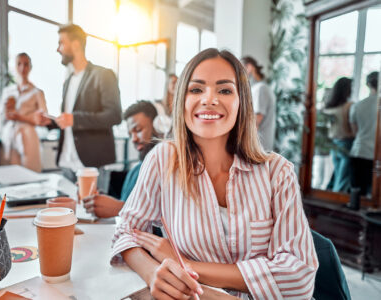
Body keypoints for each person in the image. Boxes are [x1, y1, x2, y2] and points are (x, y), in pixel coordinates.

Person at [111, 48, 318, 300]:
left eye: (225, 90)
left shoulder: (277, 172)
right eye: (196, 89)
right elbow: (125, 232)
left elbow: (299, 278)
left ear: (242, 101)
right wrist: (152, 272)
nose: (209, 99)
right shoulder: (164, 159)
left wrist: (186, 265)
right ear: (182, 102)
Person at [35, 24, 121, 182]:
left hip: (92, 163)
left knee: (93, 207)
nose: (58, 49)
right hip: (66, 162)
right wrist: (52, 122)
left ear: (75, 44)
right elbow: (69, 121)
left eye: (62, 43)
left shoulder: (103, 75)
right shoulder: (68, 82)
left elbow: (114, 115)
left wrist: (75, 119)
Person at [82, 101, 159, 218]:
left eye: (138, 130)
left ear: (158, 126)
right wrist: (100, 202)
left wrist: (120, 209)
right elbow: (124, 203)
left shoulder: (168, 170)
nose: (133, 139)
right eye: (130, 134)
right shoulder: (136, 171)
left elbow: (167, 224)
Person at [0, 53, 48, 172]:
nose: (22, 68)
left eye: (26, 64)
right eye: (19, 64)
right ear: (15, 67)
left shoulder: (37, 92)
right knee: (12, 175)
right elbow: (2, 115)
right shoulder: (8, 92)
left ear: (30, 67)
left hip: (29, 135)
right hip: (11, 136)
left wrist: (20, 117)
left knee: (31, 173)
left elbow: (44, 119)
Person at [322, 77, 355, 193]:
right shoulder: (349, 106)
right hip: (346, 143)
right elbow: (351, 128)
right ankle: (336, 203)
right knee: (342, 178)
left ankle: (334, 200)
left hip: (334, 144)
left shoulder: (329, 106)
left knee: (338, 175)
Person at [350, 71, 379, 196]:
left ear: (368, 84)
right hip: (377, 154)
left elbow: (354, 131)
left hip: (359, 150)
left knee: (357, 193)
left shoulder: (357, 106)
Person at [241, 56, 276, 151]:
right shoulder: (258, 88)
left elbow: (255, 122)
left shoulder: (261, 89)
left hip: (259, 147)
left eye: (241, 70)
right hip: (258, 146)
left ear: (249, 67)